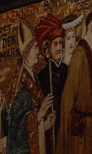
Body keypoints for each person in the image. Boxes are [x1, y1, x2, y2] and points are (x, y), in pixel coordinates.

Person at [56, 9, 92, 154]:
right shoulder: (80, 55)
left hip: (87, 123)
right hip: (78, 127)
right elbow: (67, 97)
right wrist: (69, 130)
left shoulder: (89, 51)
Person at [9, 19, 54, 154]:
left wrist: (46, 121)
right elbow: (19, 127)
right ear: (26, 53)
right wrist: (40, 115)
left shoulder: (33, 76)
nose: (38, 51)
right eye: (34, 47)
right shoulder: (21, 86)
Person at [36, 13, 70, 144]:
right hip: (51, 134)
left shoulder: (68, 70)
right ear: (48, 48)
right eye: (55, 44)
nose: (58, 48)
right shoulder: (43, 76)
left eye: (60, 43)